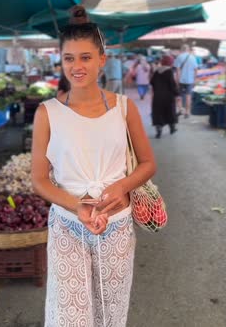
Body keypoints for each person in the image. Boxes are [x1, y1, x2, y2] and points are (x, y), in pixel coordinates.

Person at [31, 22, 156, 327]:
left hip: (116, 227)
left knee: (110, 315)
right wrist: (78, 207)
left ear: (102, 59)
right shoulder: (47, 112)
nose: (76, 66)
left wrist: (122, 185)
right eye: (69, 58)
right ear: (60, 61)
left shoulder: (124, 108)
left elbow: (148, 163)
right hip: (68, 226)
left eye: (85, 57)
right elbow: (40, 180)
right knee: (70, 317)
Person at [150, 55, 178, 138]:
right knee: (170, 113)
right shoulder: (169, 71)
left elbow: (152, 82)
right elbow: (172, 85)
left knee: (158, 114)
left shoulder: (157, 71)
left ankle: (158, 132)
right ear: (170, 62)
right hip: (168, 97)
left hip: (158, 97)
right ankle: (172, 129)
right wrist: (177, 93)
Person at [174, 44, 198, 118]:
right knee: (188, 96)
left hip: (181, 80)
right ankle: (187, 112)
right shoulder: (193, 57)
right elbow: (196, 70)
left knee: (179, 95)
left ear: (181, 49)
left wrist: (177, 79)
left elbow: (177, 70)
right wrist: (194, 79)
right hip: (190, 80)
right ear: (188, 49)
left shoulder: (179, 57)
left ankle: (181, 109)